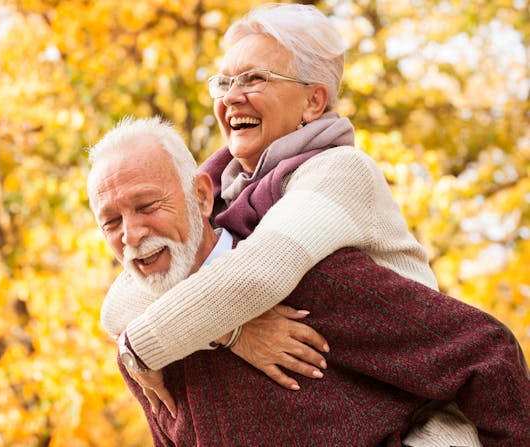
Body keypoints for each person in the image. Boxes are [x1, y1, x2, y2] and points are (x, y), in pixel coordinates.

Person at [99, 3, 485, 444]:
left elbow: (258, 276)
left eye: (254, 79)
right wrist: (233, 331)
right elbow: (119, 303)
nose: (230, 96)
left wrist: (138, 350)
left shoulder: (340, 172)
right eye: (223, 82)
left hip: (418, 419)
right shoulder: (225, 191)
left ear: (313, 101)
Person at [87, 116, 530, 445]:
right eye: (110, 222)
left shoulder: (316, 280)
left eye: (147, 206)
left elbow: (487, 354)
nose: (131, 234)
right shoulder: (143, 352)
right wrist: (231, 332)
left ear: (202, 196)